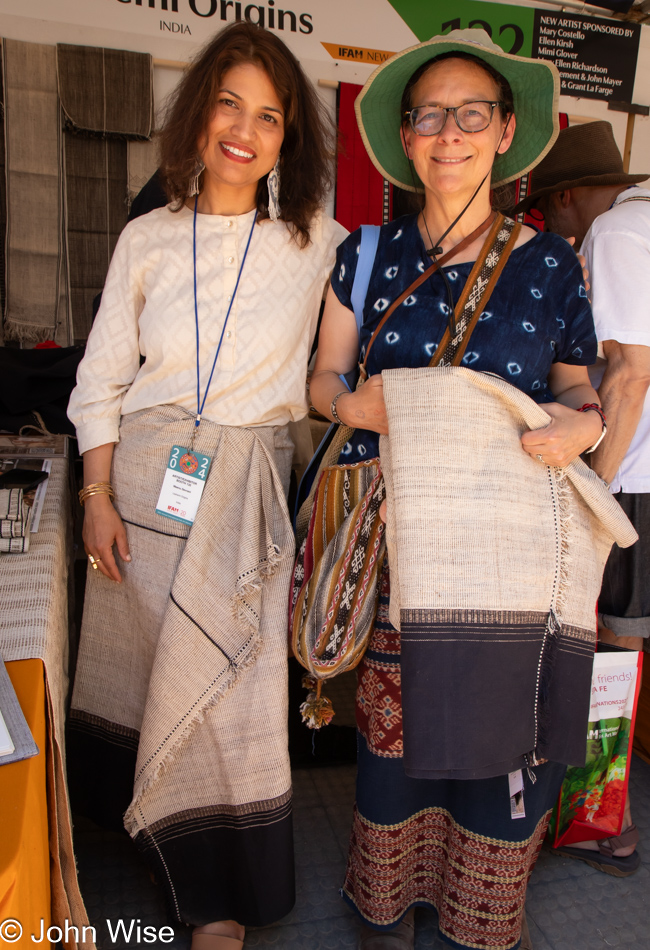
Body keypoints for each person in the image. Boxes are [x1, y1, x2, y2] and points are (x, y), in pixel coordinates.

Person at [309, 30, 606, 950]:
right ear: (406, 136)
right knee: (397, 740)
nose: (450, 133)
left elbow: (579, 389)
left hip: (513, 557)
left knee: (498, 740)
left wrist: (584, 428)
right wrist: (367, 405)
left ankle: (480, 909)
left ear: (506, 129)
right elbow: (321, 384)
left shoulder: (551, 263)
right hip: (404, 549)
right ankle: (389, 901)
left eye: (471, 113)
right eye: (430, 115)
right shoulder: (363, 254)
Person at [67, 22, 346, 949]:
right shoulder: (147, 236)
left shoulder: (321, 242)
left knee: (235, 684)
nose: (245, 128)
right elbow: (101, 380)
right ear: (197, 114)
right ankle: (162, 846)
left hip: (248, 489)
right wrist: (94, 497)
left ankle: (220, 895)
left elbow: (355, 355)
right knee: (150, 672)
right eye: (229, 102)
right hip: (145, 484)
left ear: (287, 138)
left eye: (269, 116)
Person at [515, 119, 650, 877]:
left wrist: (589, 477)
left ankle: (604, 815)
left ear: (568, 200)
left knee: (607, 644)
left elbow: (629, 373)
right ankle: (604, 809)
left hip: (632, 478)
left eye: (546, 214)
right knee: (622, 644)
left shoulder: (616, 230)